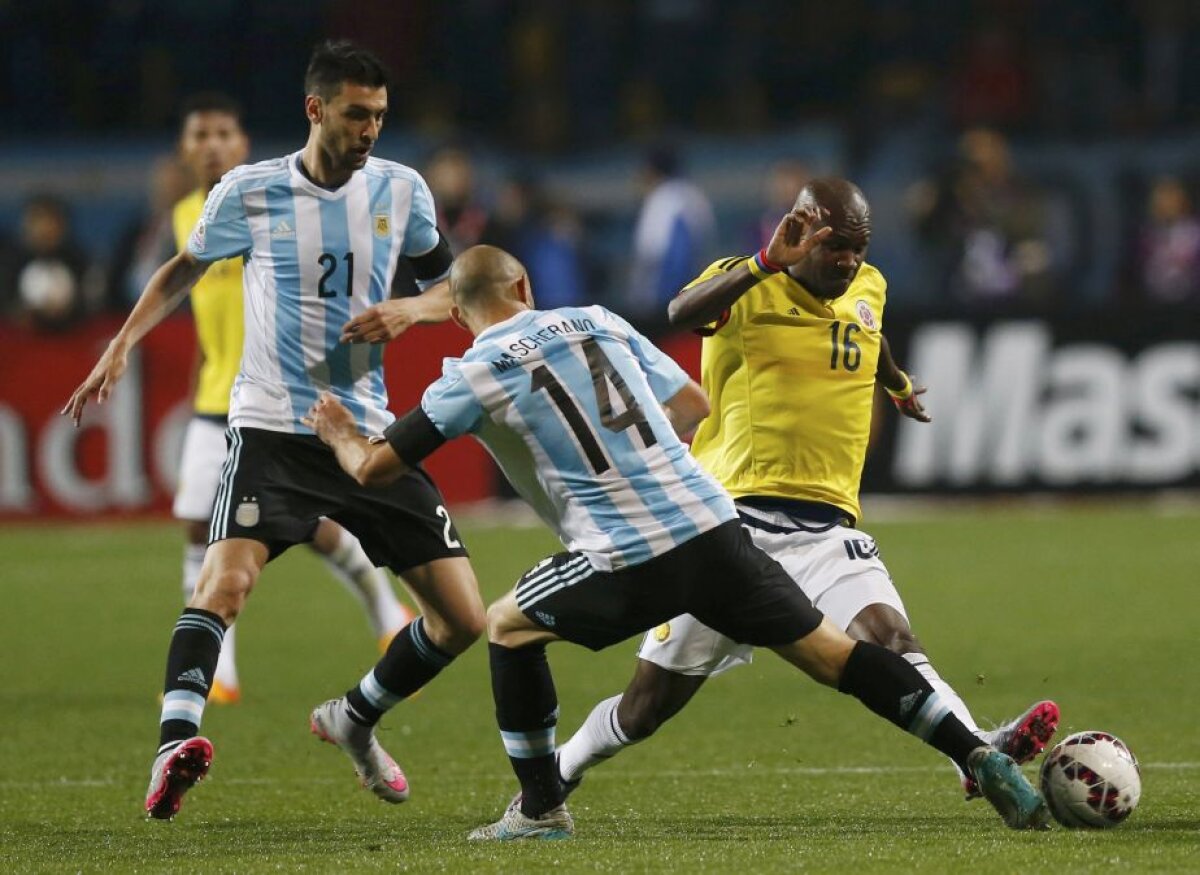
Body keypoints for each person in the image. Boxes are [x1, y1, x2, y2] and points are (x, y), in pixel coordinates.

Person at [305, 243, 1051, 841]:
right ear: (526, 287)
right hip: (714, 522)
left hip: (624, 551)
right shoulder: (599, 318)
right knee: (837, 655)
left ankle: (539, 809)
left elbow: (376, 468)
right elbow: (694, 404)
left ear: (461, 314)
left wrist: (341, 434)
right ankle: (974, 752)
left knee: (507, 625)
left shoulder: (467, 374)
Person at [62, 40, 485, 821]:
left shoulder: (403, 189)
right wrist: (120, 345)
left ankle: (354, 716)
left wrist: (411, 310)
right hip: (272, 429)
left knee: (463, 618)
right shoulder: (250, 193)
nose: (370, 131)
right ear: (315, 110)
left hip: (367, 435)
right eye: (357, 115)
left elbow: (454, 290)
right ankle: (173, 743)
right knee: (223, 583)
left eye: (381, 117)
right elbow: (181, 269)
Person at [557, 177, 1060, 804]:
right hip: (729, 529)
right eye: (834, 248)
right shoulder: (747, 282)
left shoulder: (869, 284)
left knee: (893, 639)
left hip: (827, 529)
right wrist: (765, 261)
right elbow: (677, 315)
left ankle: (973, 751)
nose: (849, 261)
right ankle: (556, 769)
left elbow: (867, 335)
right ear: (800, 231)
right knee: (645, 707)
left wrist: (898, 384)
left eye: (858, 247)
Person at [167, 91, 417, 704]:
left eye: (222, 132)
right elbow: (202, 308)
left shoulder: (267, 200)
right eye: (199, 134)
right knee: (201, 524)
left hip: (282, 398)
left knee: (307, 526)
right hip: (213, 398)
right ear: (184, 148)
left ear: (242, 144)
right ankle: (220, 671)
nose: (211, 145)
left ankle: (386, 611)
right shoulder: (184, 216)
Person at [624, 145, 715, 327]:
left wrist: (666, 303)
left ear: (651, 171)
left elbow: (676, 258)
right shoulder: (691, 194)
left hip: (665, 304)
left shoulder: (666, 200)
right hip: (691, 296)